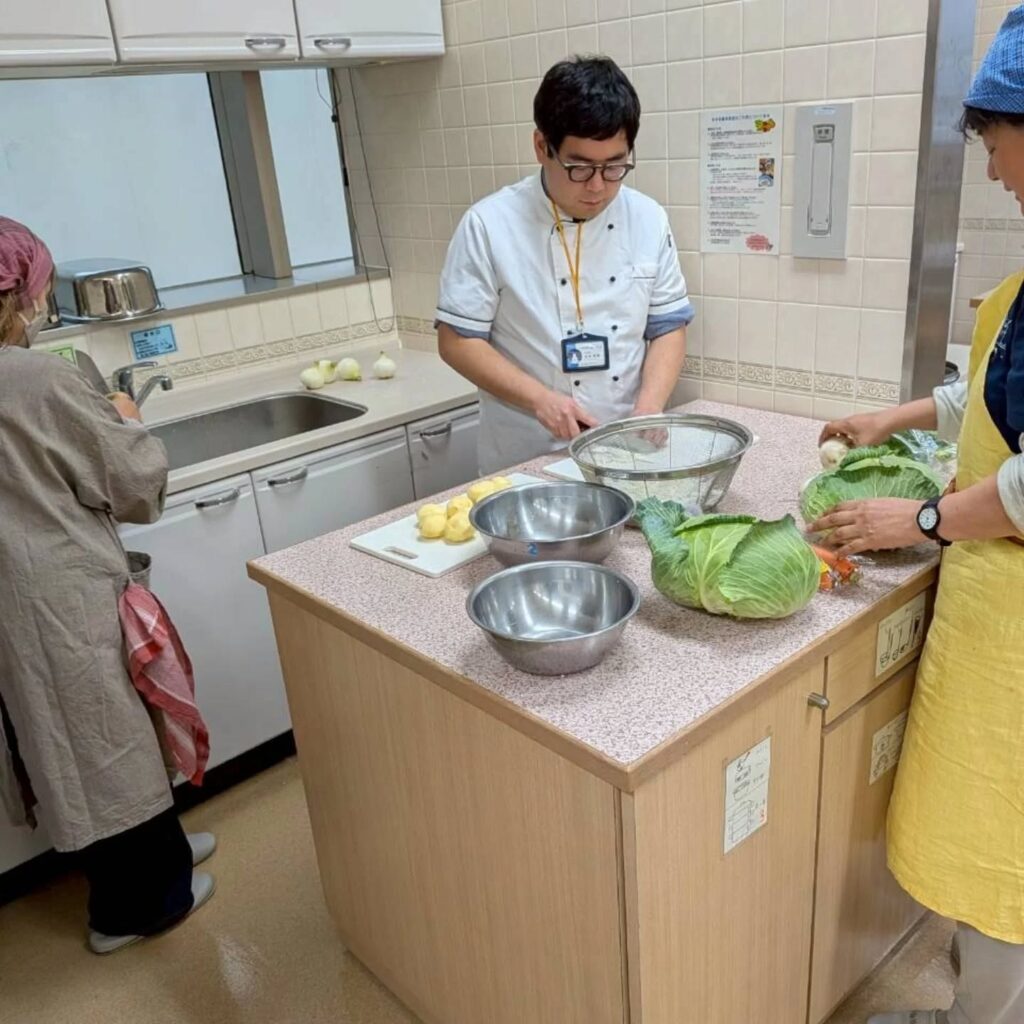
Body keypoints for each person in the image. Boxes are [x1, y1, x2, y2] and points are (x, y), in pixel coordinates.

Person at [813, 12, 1024, 1021]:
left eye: (997, 141)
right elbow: (984, 393)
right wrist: (888, 418)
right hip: (993, 615)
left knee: (1007, 855)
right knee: (993, 851)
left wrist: (926, 518)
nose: (992, 168)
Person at [0, 217, 215, 954]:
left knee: (77, 736)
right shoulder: (35, 377)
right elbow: (132, 481)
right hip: (60, 588)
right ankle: (135, 909)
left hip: (15, 595)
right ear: (21, 295)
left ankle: (164, 856)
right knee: (104, 739)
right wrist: (126, 420)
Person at [435, 56, 694, 474]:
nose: (597, 186)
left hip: (626, 450)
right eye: (579, 167)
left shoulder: (648, 219)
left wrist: (650, 405)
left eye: (615, 166)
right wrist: (540, 400)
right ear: (542, 147)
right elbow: (457, 341)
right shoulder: (489, 225)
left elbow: (667, 326)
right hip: (526, 454)